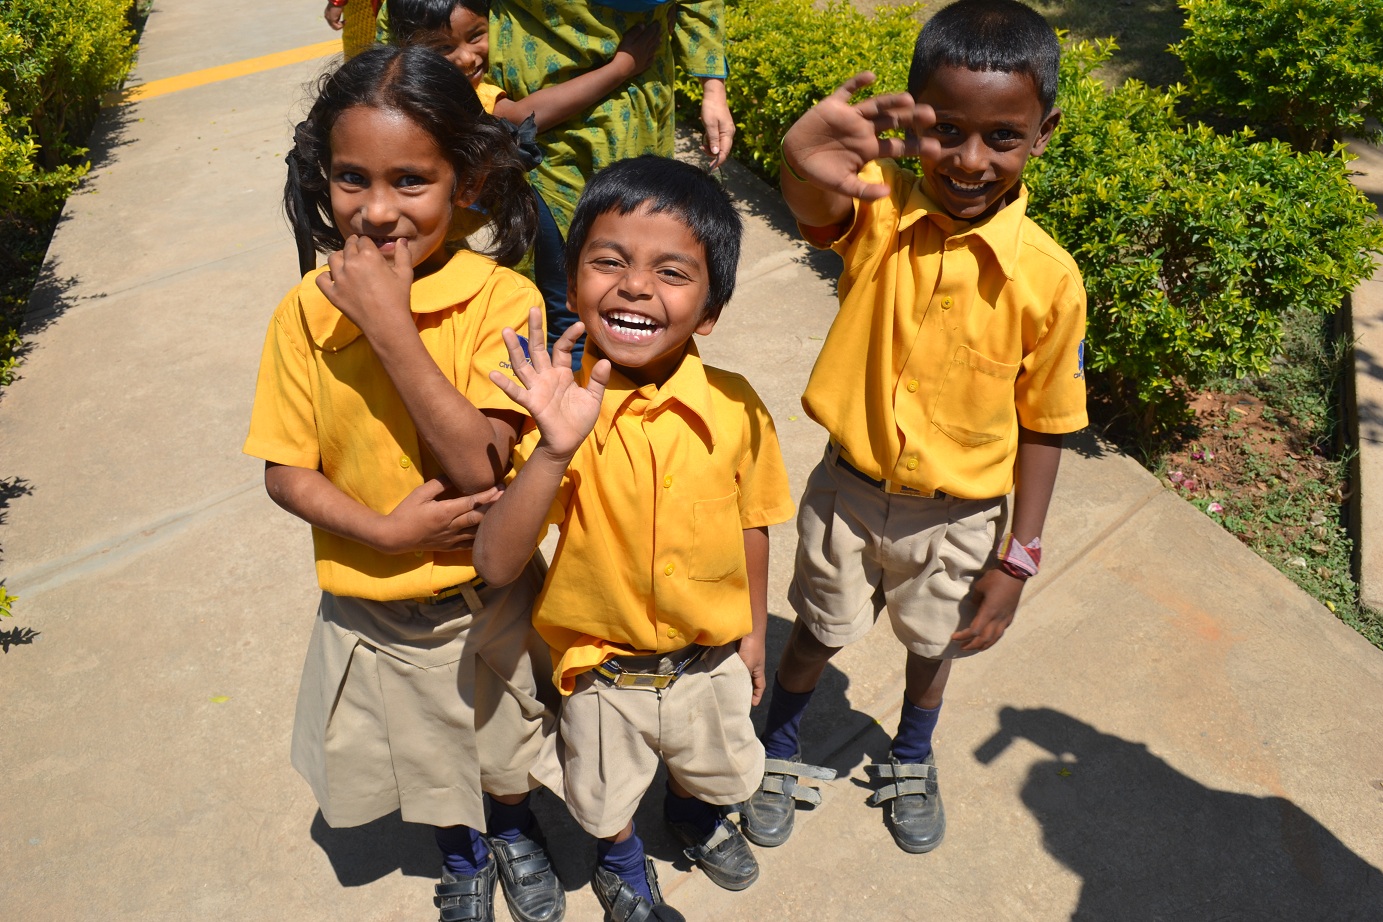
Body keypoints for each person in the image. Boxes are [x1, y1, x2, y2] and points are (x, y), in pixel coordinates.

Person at [352, 155, 793, 921]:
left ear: (712, 310)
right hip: (601, 675)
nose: (633, 286)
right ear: (573, 279)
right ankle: (621, 862)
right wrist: (552, 448)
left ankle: (691, 817)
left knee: (710, 763)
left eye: (672, 272)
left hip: (709, 658)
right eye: (608, 261)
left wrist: (753, 634)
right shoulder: (559, 412)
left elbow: (751, 521)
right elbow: (495, 558)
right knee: (603, 790)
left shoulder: (738, 409)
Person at [741, 0, 1088, 857]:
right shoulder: (882, 213)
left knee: (934, 646)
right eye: (947, 133)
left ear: (1043, 132)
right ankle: (778, 746)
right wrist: (799, 156)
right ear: (912, 116)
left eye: (1001, 138)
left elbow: (1046, 423)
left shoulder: (1049, 279)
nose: (970, 162)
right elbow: (816, 203)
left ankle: (909, 753)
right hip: (848, 491)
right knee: (816, 630)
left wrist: (1020, 553)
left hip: (961, 512)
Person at [244, 45, 566, 922]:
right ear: (323, 176)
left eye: (410, 182)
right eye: (352, 178)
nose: (377, 211)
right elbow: (285, 470)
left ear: (466, 180)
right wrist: (382, 533)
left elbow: (480, 467)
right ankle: (459, 855)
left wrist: (391, 328)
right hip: (375, 607)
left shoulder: (505, 301)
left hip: (484, 601)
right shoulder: (303, 312)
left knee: (504, 745)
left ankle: (512, 829)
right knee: (425, 760)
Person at [488, 0, 734, 358]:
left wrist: (713, 87)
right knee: (568, 317)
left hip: (637, 125)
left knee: (631, 293)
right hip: (549, 146)